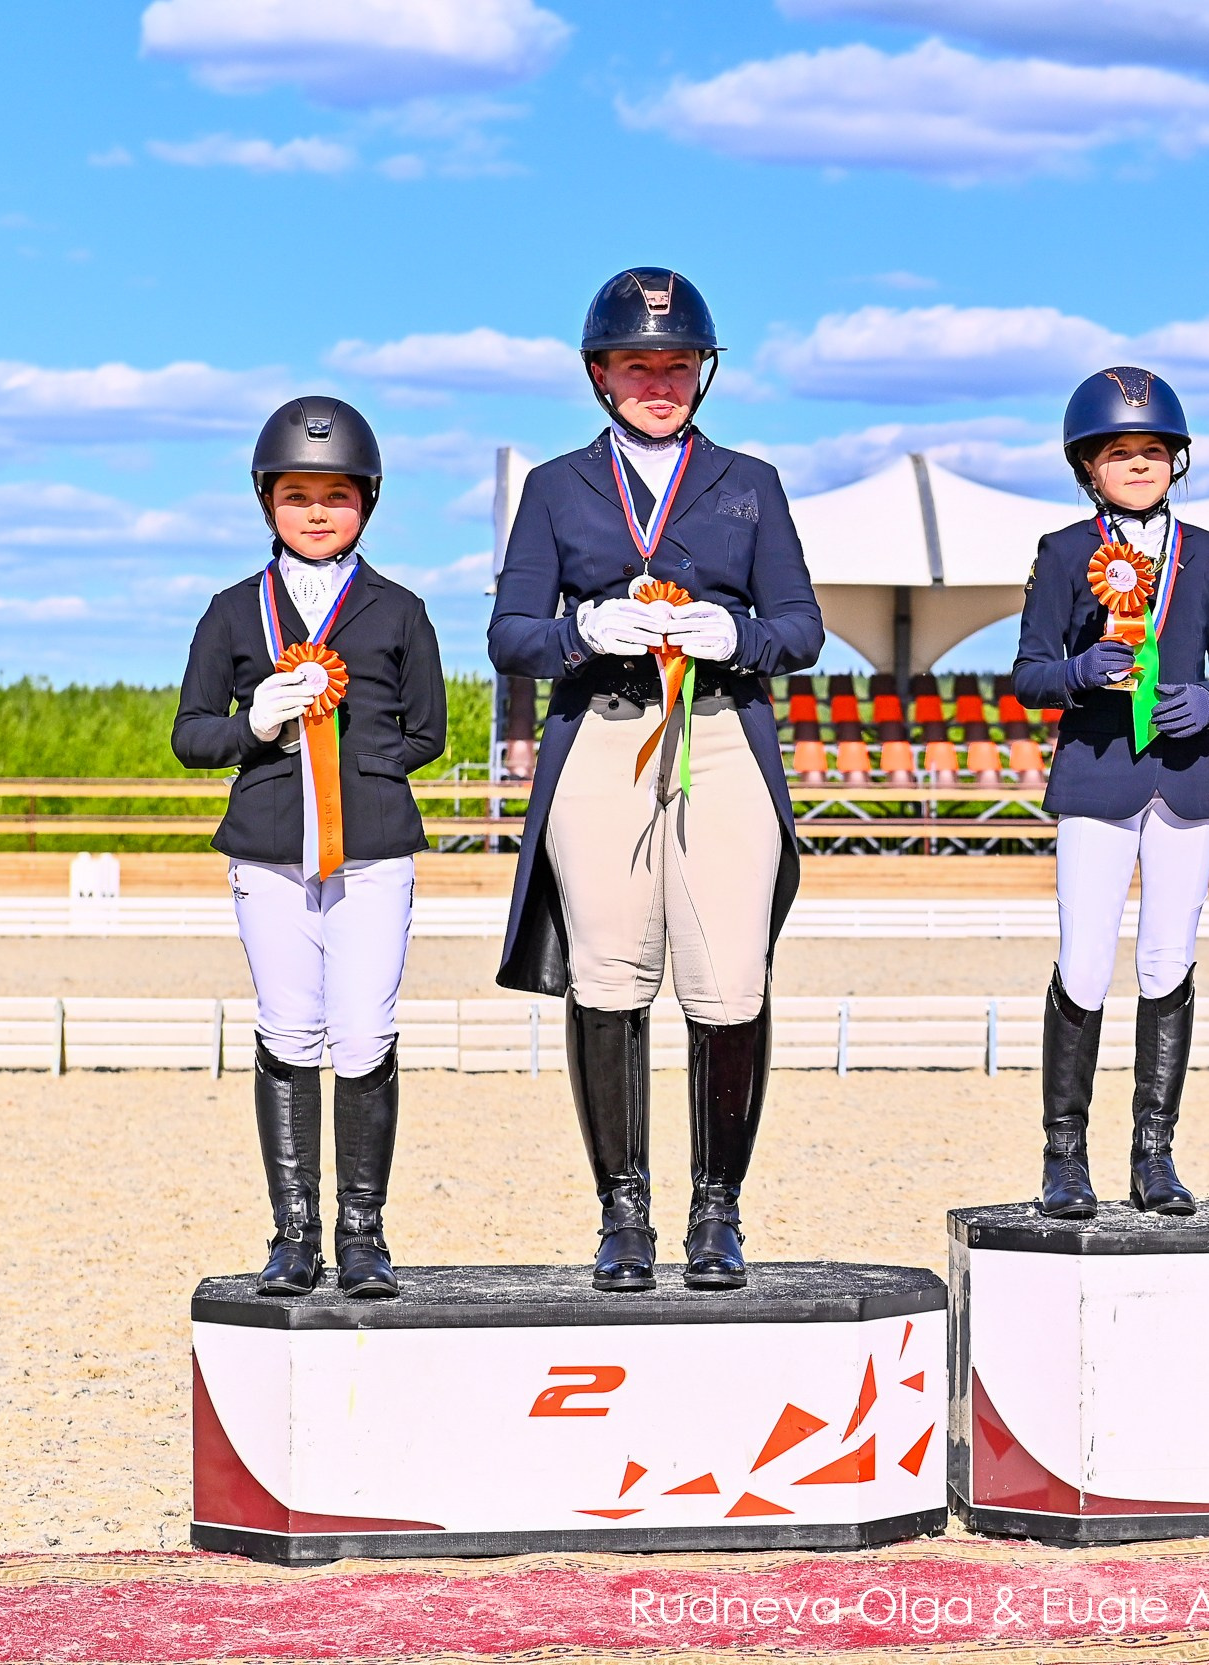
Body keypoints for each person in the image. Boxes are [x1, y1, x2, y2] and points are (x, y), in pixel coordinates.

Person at [489, 267, 824, 1293]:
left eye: (676, 365)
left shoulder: (748, 482)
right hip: (603, 733)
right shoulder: (555, 487)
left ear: (701, 374)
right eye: (638, 365)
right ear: (600, 374)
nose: (658, 382)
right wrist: (580, 631)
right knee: (608, 974)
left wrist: (741, 635)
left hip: (719, 735)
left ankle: (716, 1210)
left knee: (728, 982)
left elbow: (802, 630)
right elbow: (510, 635)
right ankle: (622, 1213)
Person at [173, 397, 446, 1299]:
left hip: (370, 851)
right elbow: (191, 736)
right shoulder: (230, 612)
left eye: (336, 495)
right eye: (298, 496)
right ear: (267, 503)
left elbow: (428, 732)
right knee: (289, 1027)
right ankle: (293, 1234)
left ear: (366, 500)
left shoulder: (399, 609)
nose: (318, 513)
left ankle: (362, 1232)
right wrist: (257, 727)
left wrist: (358, 771)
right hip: (266, 850)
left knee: (364, 1030)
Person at [1011, 368, 1209, 1219]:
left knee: (1168, 959)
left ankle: (1155, 1153)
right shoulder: (1064, 553)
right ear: (1090, 467)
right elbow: (1029, 673)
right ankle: (1064, 1154)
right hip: (1096, 775)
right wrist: (1077, 674)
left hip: (1186, 778)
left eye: (1153, 451)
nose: (1140, 464)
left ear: (1175, 461)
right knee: (1085, 958)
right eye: (1121, 452)